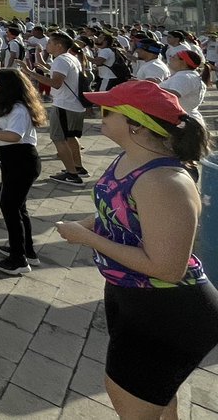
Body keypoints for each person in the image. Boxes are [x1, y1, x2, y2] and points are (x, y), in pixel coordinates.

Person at [57, 81, 218, 418]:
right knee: (157, 398)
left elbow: (167, 269)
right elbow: (120, 212)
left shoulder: (164, 182)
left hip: (167, 309)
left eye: (108, 110)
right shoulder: (131, 157)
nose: (99, 113)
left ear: (136, 124)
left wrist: (87, 238)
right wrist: (87, 224)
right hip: (132, 296)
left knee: (132, 401)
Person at [0, 68, 45, 275]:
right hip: (12, 160)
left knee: (9, 207)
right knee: (18, 207)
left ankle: (18, 260)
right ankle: (26, 250)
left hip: (22, 160)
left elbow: (15, 136)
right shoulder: (9, 106)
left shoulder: (19, 109)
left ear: (7, 87)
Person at [24, 31, 88, 185]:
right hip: (74, 104)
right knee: (70, 137)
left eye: (50, 43)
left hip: (64, 105)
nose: (47, 45)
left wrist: (30, 73)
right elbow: (62, 77)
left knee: (58, 138)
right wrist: (45, 69)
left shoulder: (61, 60)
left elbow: (56, 83)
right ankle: (77, 167)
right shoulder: (70, 57)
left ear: (59, 46)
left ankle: (72, 174)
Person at [163, 47, 206, 117]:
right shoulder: (188, 75)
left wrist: (152, 86)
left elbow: (173, 94)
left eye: (173, 57)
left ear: (183, 62)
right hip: (184, 116)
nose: (170, 59)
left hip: (180, 118)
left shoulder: (184, 77)